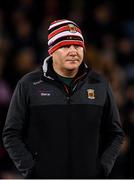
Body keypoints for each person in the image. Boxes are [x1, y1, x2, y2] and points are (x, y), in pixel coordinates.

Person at [2, 19, 124, 179]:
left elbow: (115, 134)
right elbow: (11, 134)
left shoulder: (100, 84)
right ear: (52, 51)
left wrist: (101, 169)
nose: (74, 51)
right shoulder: (29, 84)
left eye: (78, 46)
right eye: (66, 46)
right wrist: (32, 171)